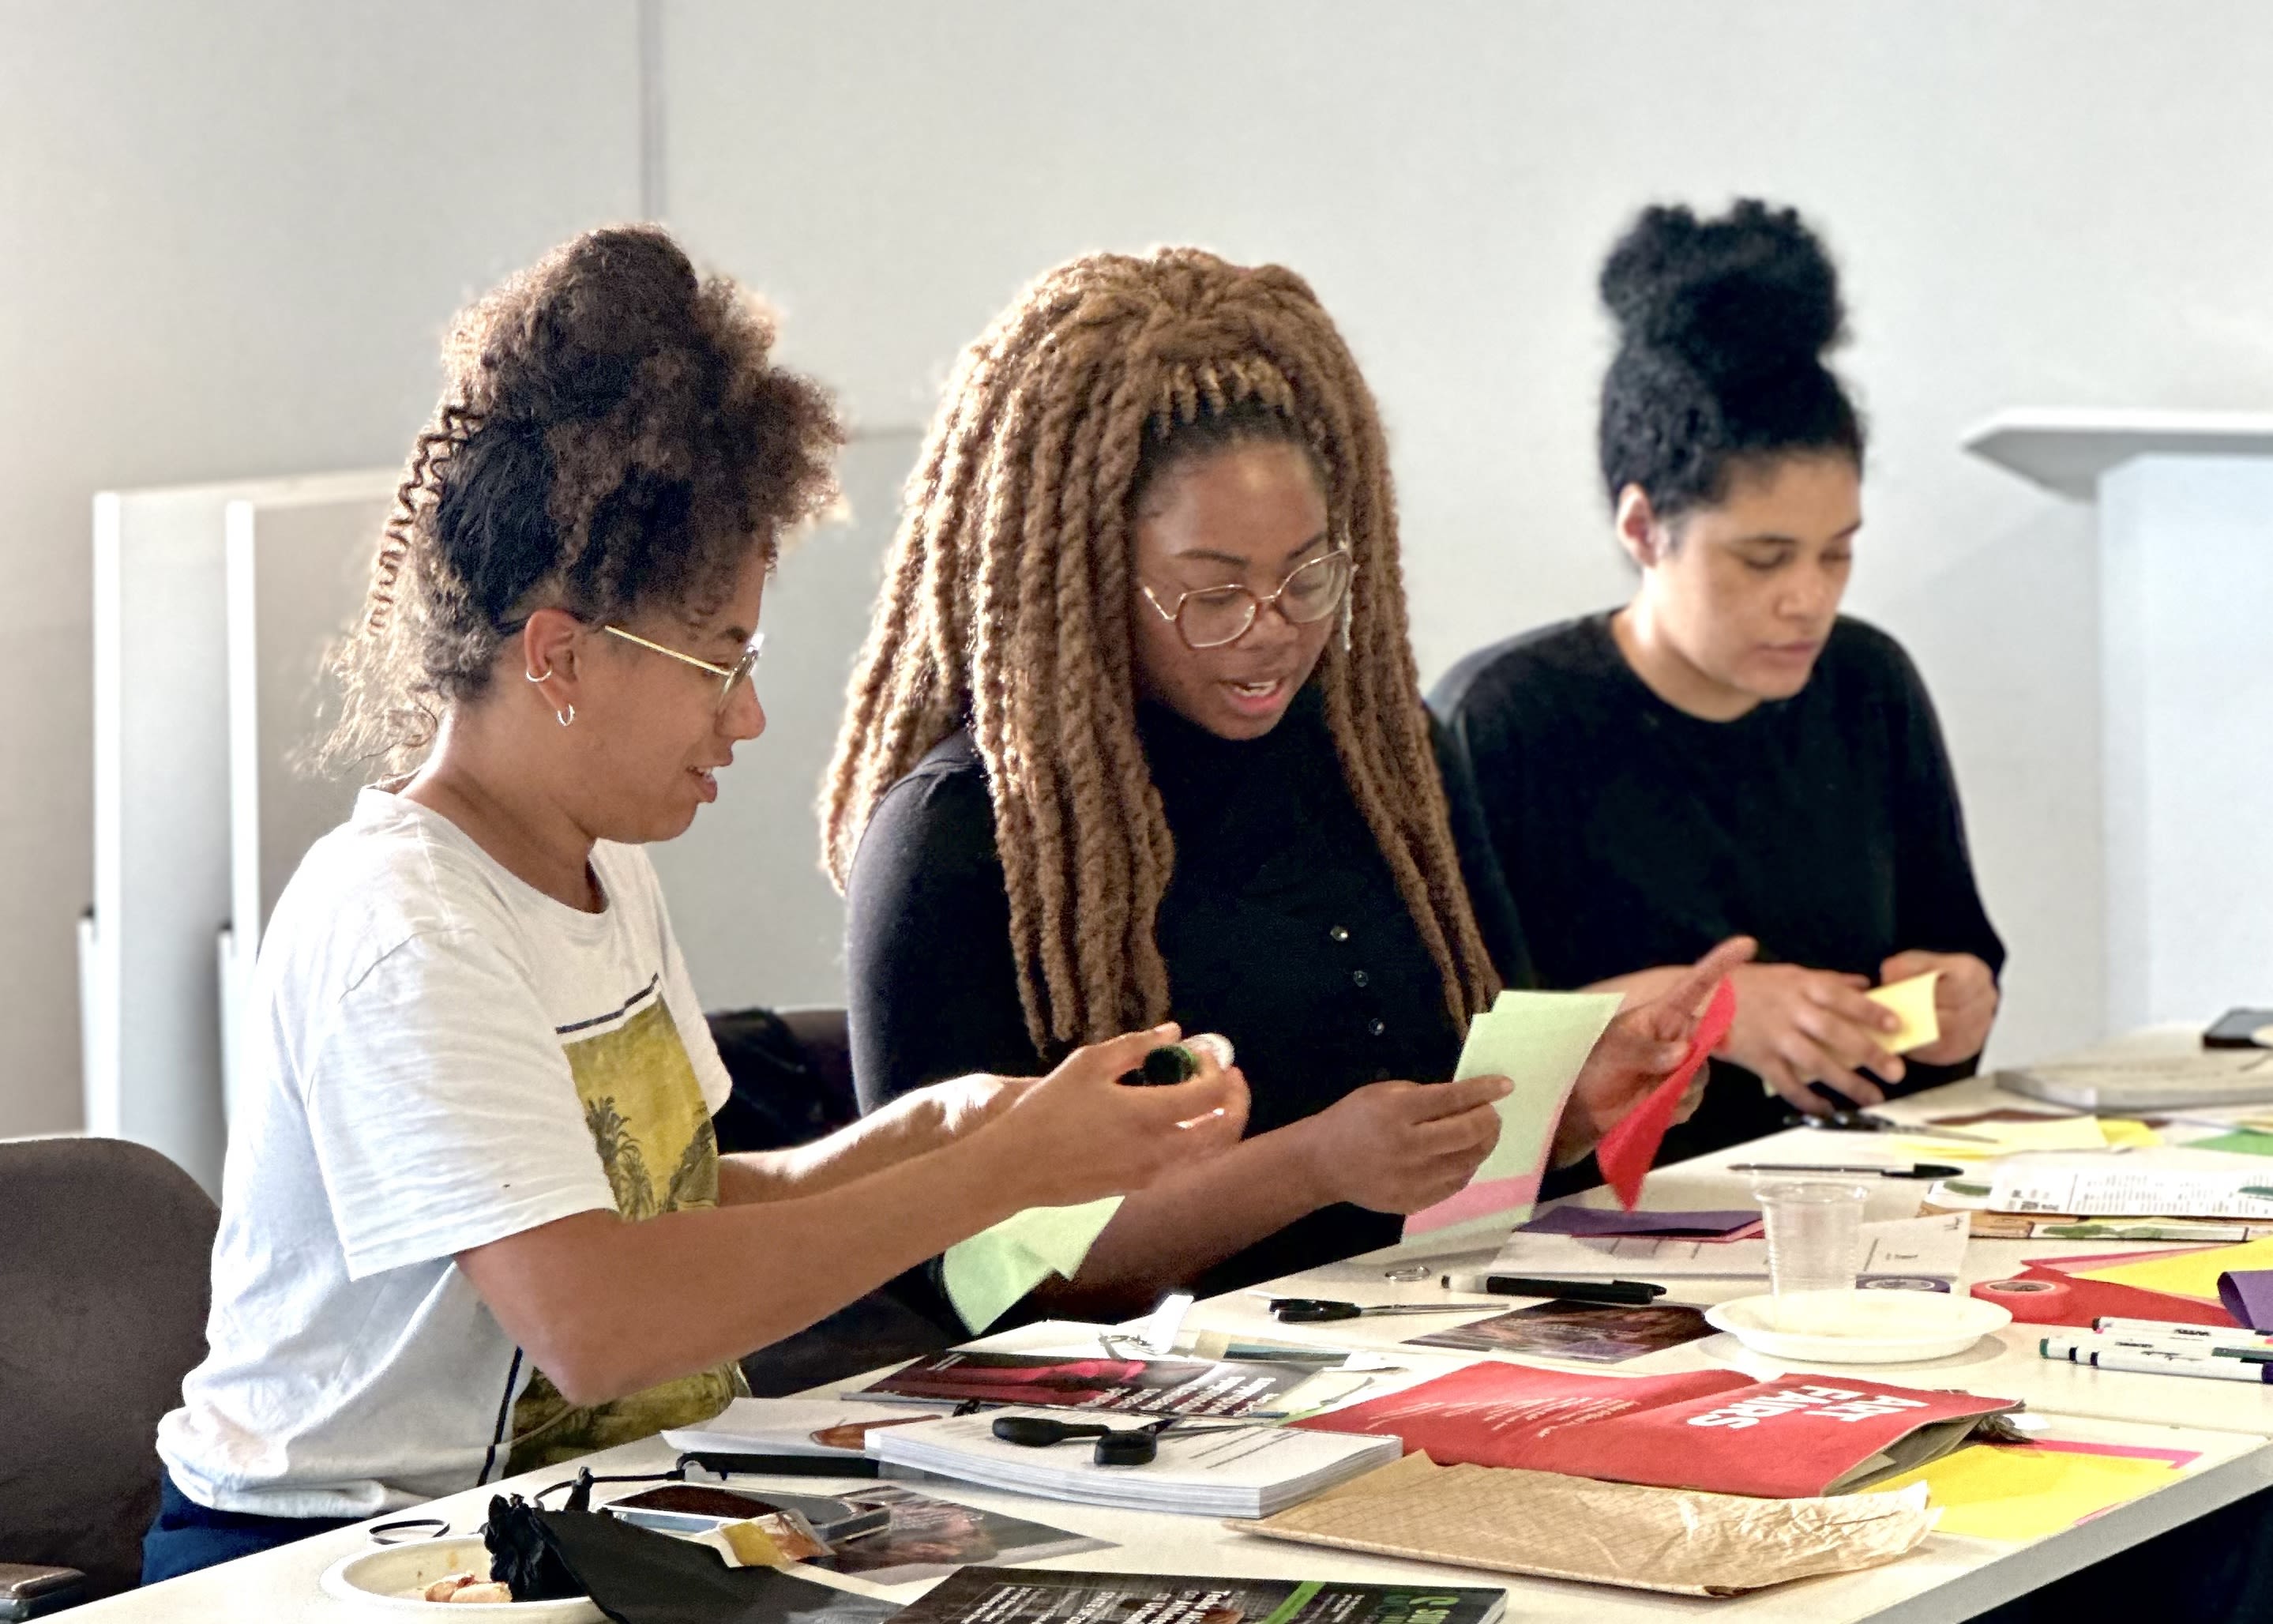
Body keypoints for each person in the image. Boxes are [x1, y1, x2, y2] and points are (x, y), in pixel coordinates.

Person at [143, 227, 1243, 1584]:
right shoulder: (405, 923)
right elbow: (598, 1320)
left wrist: (939, 1131)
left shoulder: (598, 870)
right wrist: (1003, 1173)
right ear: (557, 655)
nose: (750, 714)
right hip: (320, 1562)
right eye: (717, 660)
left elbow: (663, 1206)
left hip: (556, 1530)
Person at [825, 247, 1749, 1316]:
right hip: (1127, 1436)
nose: (1272, 635)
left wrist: (1570, 1110)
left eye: (1308, 576)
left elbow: (1448, 1142)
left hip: (1410, 1347)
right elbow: (973, 1278)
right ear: (1086, 575)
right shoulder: (960, 834)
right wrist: (1309, 1165)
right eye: (1211, 594)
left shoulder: (1386, 761)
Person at [1431, 200, 2004, 1163]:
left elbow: (1962, 957)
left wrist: (1955, 1001)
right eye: (1763, 558)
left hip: (1853, 1187)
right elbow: (1459, 1062)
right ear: (1643, 529)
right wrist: (1712, 1013)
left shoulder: (1868, 684)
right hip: (1594, 1237)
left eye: (1836, 555)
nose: (1807, 601)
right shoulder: (1505, 720)